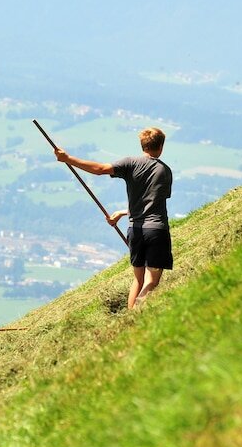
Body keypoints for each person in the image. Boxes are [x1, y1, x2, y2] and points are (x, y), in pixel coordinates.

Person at [53, 127, 173, 310]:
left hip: (135, 231)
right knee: (151, 281)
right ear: (161, 147)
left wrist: (68, 159)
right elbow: (153, 201)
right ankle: (136, 315)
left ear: (142, 145)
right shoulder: (164, 171)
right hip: (156, 230)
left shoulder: (130, 163)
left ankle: (128, 318)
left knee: (138, 280)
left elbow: (100, 169)